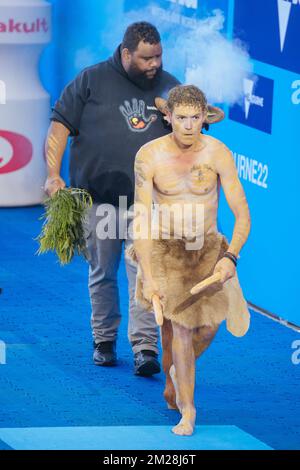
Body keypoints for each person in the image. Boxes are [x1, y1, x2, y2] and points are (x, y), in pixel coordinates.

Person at [44, 21, 223, 377]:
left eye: (158, 56)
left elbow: (198, 130)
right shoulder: (90, 81)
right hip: (99, 201)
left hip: (148, 205)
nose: (154, 63)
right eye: (146, 58)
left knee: (146, 275)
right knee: (102, 273)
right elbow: (59, 127)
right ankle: (104, 340)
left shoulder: (172, 89)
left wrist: (203, 120)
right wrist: (52, 175)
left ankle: (145, 347)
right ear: (126, 53)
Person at [130, 85, 251, 434]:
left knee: (209, 325)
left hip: (208, 248)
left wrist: (231, 257)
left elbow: (242, 214)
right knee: (180, 328)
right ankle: (188, 410)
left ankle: (176, 371)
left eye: (194, 118)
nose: (187, 125)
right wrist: (149, 275)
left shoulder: (218, 153)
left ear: (204, 117)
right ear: (168, 116)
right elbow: (142, 216)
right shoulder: (148, 155)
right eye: (180, 118)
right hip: (166, 249)